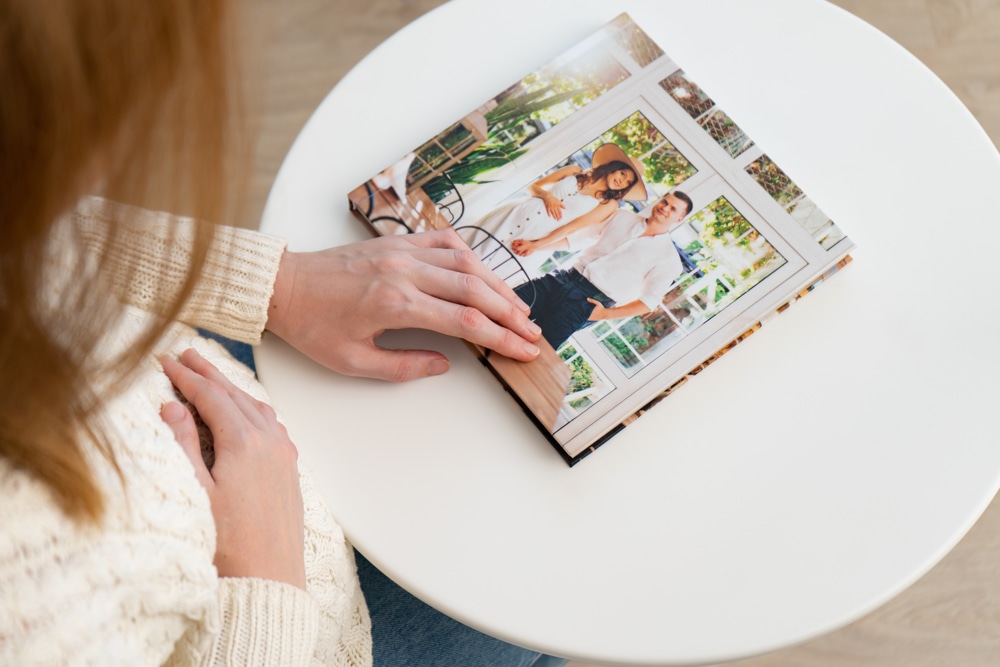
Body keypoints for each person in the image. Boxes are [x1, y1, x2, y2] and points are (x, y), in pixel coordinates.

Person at [0, 2, 565, 666]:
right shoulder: (29, 599)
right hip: (306, 625)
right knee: (555, 589)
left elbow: (33, 225)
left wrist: (277, 284)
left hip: (210, 390)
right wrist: (262, 584)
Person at [514, 192, 695, 350]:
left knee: (533, 347)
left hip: (587, 303)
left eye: (673, 209)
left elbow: (648, 302)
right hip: (562, 278)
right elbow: (578, 239)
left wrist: (605, 314)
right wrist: (536, 246)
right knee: (508, 306)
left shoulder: (669, 260)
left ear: (679, 220)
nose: (665, 208)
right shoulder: (622, 216)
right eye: (665, 202)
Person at [471, 144, 647, 277]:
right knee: (469, 249)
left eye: (627, 182)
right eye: (623, 174)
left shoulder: (608, 204)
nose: (621, 181)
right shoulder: (574, 171)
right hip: (514, 214)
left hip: (535, 236)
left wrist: (536, 244)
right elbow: (533, 186)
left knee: (486, 274)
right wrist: (547, 196)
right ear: (614, 167)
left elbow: (572, 228)